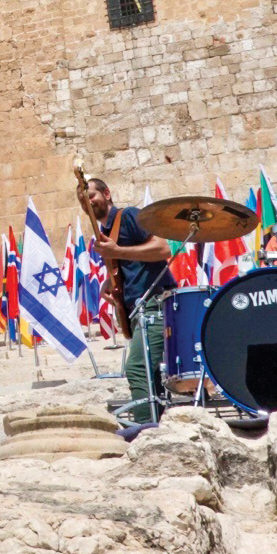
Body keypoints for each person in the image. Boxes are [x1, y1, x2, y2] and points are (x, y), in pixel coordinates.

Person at [80, 177, 175, 424]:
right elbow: (130, 264)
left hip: (155, 303)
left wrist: (117, 252)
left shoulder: (130, 216)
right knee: (151, 375)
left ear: (107, 194)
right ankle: (159, 424)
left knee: (137, 367)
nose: (88, 202)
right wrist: (109, 284)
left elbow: (163, 249)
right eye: (83, 200)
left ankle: (145, 432)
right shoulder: (105, 232)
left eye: (91, 196)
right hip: (137, 310)